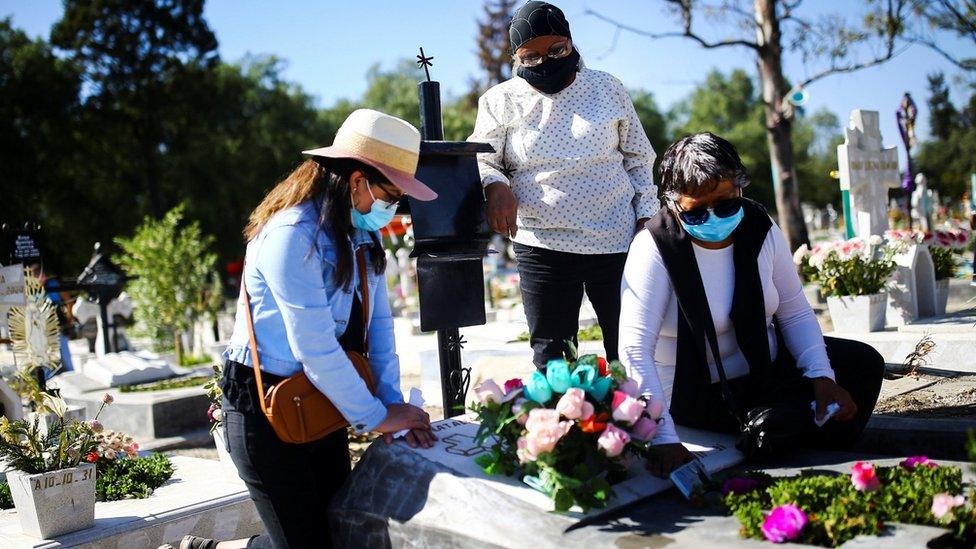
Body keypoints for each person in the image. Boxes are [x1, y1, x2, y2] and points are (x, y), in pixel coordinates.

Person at [180, 109, 438, 549]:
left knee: (338, 532)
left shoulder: (361, 235)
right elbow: (315, 346)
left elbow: (379, 329)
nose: (392, 209)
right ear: (356, 180)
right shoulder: (290, 234)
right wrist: (376, 417)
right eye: (390, 194)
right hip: (264, 409)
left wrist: (394, 408)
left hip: (316, 399)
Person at [618, 133, 884, 477]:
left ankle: (812, 448)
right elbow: (634, 349)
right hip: (693, 393)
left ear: (740, 188)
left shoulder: (759, 227)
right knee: (776, 424)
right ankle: (779, 439)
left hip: (762, 374)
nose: (714, 218)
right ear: (672, 204)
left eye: (727, 203)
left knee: (861, 366)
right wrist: (662, 435)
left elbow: (794, 311)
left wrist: (822, 376)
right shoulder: (654, 248)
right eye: (697, 212)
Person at [469, 0, 659, 369]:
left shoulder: (608, 88)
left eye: (557, 50)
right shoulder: (500, 100)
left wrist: (645, 219)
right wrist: (495, 184)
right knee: (553, 358)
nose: (546, 62)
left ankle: (641, 422)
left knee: (631, 348)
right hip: (542, 242)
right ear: (516, 57)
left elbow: (639, 158)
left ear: (571, 43)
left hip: (616, 239)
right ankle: (565, 426)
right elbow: (483, 157)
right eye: (531, 57)